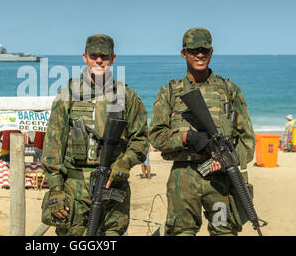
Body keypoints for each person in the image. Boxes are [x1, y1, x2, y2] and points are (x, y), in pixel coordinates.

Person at [149, 28, 255, 236]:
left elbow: (247, 140)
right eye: (194, 50)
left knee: (223, 231)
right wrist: (187, 138)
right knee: (181, 232)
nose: (200, 55)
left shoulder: (229, 90)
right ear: (184, 53)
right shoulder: (169, 92)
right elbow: (156, 136)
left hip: (220, 183)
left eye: (205, 50)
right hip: (183, 179)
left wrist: (227, 161)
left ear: (211, 51)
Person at [41, 34, 149, 236]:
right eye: (94, 55)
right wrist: (56, 189)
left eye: (105, 56)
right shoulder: (68, 94)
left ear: (113, 58)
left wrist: (123, 163)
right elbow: (52, 147)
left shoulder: (127, 96)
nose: (99, 60)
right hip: (74, 189)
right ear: (85, 57)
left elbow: (141, 140)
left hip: (113, 187)